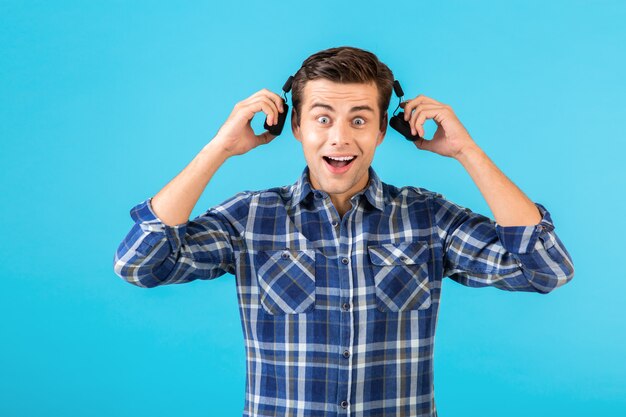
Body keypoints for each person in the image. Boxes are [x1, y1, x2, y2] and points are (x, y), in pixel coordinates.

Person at [113, 46, 575, 417]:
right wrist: (219, 148)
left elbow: (544, 270)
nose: (339, 137)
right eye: (322, 118)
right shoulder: (250, 218)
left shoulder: (428, 218)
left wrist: (466, 151)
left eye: (359, 119)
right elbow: (138, 264)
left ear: (380, 132)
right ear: (296, 127)